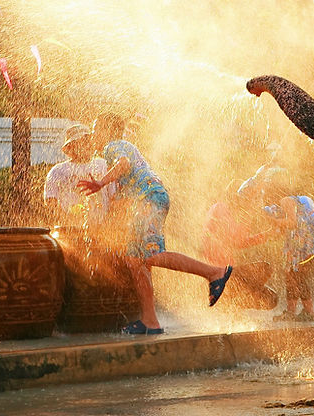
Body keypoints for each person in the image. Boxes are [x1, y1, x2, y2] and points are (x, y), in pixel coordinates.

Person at [78, 113, 232, 335]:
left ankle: (214, 272)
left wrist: (101, 183)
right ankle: (150, 321)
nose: (92, 135)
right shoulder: (123, 147)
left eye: (94, 129)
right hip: (148, 199)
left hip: (149, 199)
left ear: (104, 130)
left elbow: (124, 164)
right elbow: (125, 189)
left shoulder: (114, 146)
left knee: (151, 255)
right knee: (134, 260)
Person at [265, 190, 314, 322]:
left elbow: (293, 223)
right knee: (293, 278)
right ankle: (295, 312)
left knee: (297, 278)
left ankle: (308, 312)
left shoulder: (286, 200)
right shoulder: (294, 201)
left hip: (301, 245)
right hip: (300, 245)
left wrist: (272, 220)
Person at [44, 124, 115, 227]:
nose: (86, 145)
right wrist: (67, 220)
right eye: (81, 142)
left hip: (100, 227)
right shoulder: (57, 171)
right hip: (69, 228)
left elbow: (113, 196)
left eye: (87, 141)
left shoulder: (103, 165)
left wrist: (109, 223)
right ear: (70, 147)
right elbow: (51, 201)